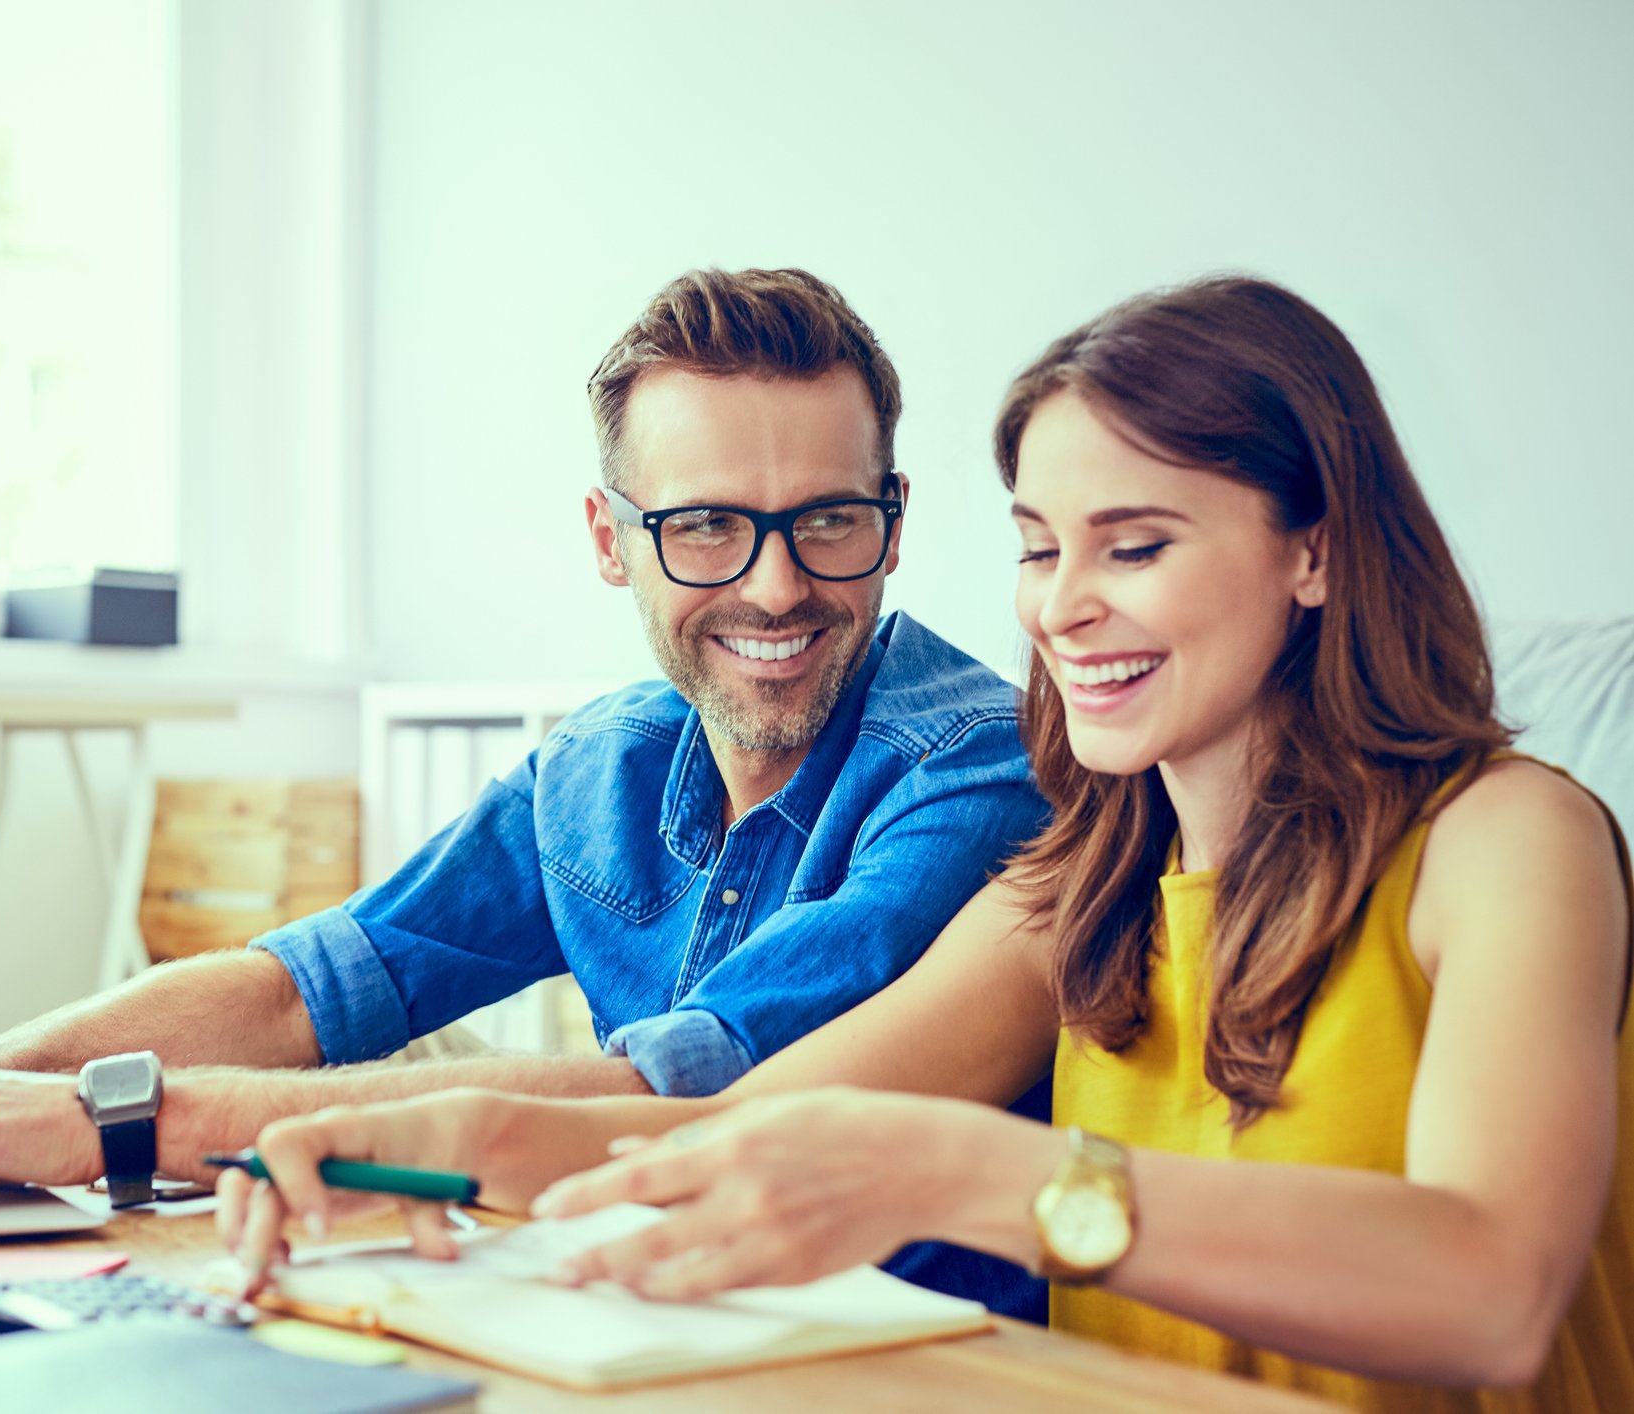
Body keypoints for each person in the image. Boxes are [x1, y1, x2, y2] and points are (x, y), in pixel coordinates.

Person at [219, 276, 1633, 1412]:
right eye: (1037, 546)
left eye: (1131, 546)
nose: (1061, 607)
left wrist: (964, 1172)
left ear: (1311, 551)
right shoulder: (1082, 881)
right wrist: (429, 1138)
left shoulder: (1508, 843)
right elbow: (733, 1125)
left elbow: (1489, 1291)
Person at [0, 268, 1052, 1316]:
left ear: (893, 517)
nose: (773, 583)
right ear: (608, 537)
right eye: (702, 524)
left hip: (906, 1349)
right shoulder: (598, 763)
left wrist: (107, 1115)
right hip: (652, 1317)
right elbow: (308, 986)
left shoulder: (977, 765)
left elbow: (690, 1084)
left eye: (826, 518)